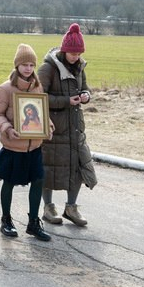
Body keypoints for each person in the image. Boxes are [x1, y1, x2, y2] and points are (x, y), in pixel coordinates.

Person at [0, 44, 53, 241]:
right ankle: (6, 220)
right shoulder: (5, 89)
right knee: (9, 182)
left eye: (31, 65)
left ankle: (33, 222)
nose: (28, 68)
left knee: (38, 181)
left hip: (33, 147)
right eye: (24, 64)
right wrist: (7, 128)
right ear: (17, 66)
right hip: (13, 146)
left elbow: (43, 113)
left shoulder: (37, 87)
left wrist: (48, 127)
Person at [38, 24, 97, 227]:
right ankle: (48, 207)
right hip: (54, 127)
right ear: (64, 50)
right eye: (72, 52)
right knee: (50, 168)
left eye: (79, 52)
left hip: (75, 128)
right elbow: (38, 98)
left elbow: (85, 88)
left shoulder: (80, 67)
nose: (75, 56)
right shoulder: (48, 68)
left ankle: (71, 208)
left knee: (78, 168)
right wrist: (65, 101)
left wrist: (86, 96)